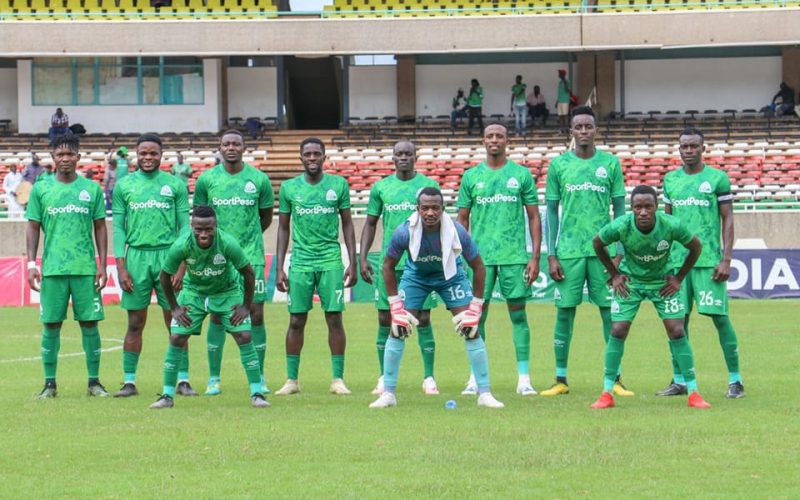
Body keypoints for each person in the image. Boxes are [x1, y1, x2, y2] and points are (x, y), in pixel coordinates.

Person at [369, 187, 504, 409]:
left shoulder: (457, 231)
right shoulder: (404, 231)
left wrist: (476, 307)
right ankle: (389, 394)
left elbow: (479, 267)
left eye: (435, 208)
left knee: (471, 327)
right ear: (418, 209)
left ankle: (485, 393)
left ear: (443, 209)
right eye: (425, 208)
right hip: (416, 277)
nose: (430, 213)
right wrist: (394, 305)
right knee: (398, 327)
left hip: (450, 276)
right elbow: (387, 266)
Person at [590, 185, 711, 410]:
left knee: (677, 330)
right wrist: (615, 274)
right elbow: (597, 243)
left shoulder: (671, 225)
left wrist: (679, 278)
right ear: (632, 208)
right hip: (631, 283)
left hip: (663, 283)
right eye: (638, 207)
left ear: (656, 207)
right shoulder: (621, 225)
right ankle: (606, 393)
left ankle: (694, 393)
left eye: (648, 207)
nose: (643, 212)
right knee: (617, 330)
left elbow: (696, 246)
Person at [541, 106, 632, 397]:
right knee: (564, 314)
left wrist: (619, 250)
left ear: (595, 130)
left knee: (610, 313)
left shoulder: (610, 164)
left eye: (588, 126)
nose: (583, 131)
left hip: (603, 253)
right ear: (572, 131)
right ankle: (560, 379)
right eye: (578, 126)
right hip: (568, 251)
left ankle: (614, 379)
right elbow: (551, 213)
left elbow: (620, 211)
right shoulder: (558, 166)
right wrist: (551, 254)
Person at [149, 205, 269, 409]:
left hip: (227, 292)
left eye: (208, 229)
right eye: (198, 229)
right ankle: (167, 396)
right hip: (193, 292)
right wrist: (174, 308)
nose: (203, 233)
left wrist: (246, 307)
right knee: (176, 336)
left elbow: (248, 273)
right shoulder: (181, 245)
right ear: (192, 226)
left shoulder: (228, 243)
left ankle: (257, 393)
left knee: (245, 336)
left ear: (216, 226)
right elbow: (164, 276)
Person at [457, 122, 541, 396]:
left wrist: (534, 256)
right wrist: (459, 258)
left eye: (499, 136)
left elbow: (533, 217)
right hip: (478, 260)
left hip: (514, 257)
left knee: (518, 315)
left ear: (508, 141)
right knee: (476, 318)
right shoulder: (471, 177)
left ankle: (524, 378)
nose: (495, 140)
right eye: (490, 136)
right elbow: (462, 220)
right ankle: (474, 377)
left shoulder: (521, 175)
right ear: (483, 141)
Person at [659, 127, 744, 399]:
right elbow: (666, 224)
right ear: (679, 148)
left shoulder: (717, 178)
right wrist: (663, 262)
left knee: (720, 318)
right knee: (676, 322)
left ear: (702, 148)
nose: (688, 151)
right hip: (676, 265)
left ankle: (735, 380)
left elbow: (728, 218)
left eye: (694, 146)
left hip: (708, 262)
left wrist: (726, 257)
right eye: (684, 146)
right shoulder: (670, 181)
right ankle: (680, 379)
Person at [111, 133, 196, 398]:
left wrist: (182, 264)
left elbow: (185, 228)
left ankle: (182, 380)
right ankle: (129, 382)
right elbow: (117, 228)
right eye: (143, 153)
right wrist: (121, 266)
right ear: (137, 155)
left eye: (153, 153)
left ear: (161, 155)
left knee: (176, 321)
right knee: (135, 322)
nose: (148, 158)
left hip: (168, 257)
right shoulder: (124, 186)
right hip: (136, 258)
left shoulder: (175, 185)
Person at [25, 134, 109, 399]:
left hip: (85, 268)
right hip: (53, 268)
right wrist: (30, 263)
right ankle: (49, 384)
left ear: (78, 157)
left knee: (90, 324)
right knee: (51, 325)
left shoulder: (91, 189)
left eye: (70, 154)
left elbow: (100, 227)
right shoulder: (41, 189)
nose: (65, 159)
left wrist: (103, 264)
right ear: (53, 158)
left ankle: (94, 383)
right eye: (60, 154)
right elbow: (33, 226)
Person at [193, 130, 273, 396]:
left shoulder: (258, 180)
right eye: (226, 143)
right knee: (217, 314)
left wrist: (243, 245)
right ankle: (214, 379)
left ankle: (259, 377)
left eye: (236, 144)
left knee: (256, 313)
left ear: (244, 147)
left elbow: (265, 218)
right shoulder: (207, 180)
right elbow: (199, 220)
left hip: (251, 256)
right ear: (219, 147)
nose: (231, 147)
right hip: (217, 259)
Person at [274, 137, 357, 396]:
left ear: (324, 156)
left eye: (316, 154)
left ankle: (337, 379)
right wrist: (280, 266)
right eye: (307, 154)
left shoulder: (338, 185)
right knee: (296, 320)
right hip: (300, 260)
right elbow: (284, 227)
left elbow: (347, 224)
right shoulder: (289, 188)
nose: (312, 158)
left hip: (330, 259)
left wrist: (351, 261)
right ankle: (292, 381)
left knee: (334, 318)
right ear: (301, 157)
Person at [359, 140, 440, 396]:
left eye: (408, 153)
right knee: (385, 318)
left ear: (416, 156)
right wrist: (362, 258)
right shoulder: (381, 187)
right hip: (390, 264)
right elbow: (370, 223)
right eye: (399, 154)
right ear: (392, 158)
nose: (403, 157)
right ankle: (385, 376)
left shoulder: (428, 186)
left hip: (422, 263)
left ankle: (429, 377)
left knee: (423, 318)